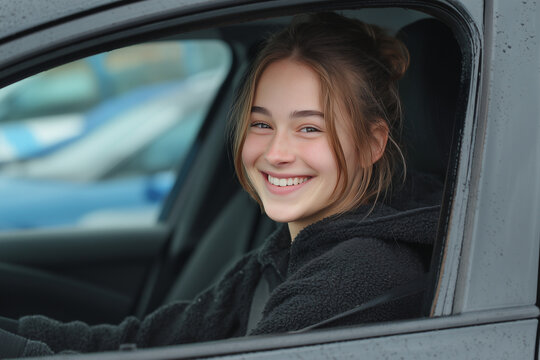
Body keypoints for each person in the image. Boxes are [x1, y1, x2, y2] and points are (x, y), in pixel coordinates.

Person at [1, 12, 442, 356]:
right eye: (261, 124)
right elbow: (143, 341)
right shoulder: (285, 253)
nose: (275, 152)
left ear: (372, 143)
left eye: (310, 129)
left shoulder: (365, 277)